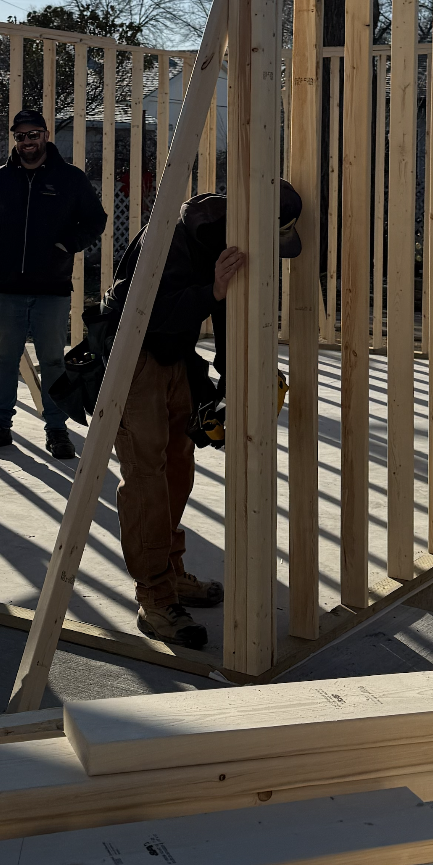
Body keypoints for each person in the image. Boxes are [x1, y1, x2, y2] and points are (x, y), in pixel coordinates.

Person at [102, 183, 302, 649]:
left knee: (178, 467)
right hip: (133, 356)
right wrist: (210, 288)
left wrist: (234, 387)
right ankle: (154, 598)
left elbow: (230, 311)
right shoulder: (170, 238)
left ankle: (171, 573)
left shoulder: (227, 241)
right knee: (146, 479)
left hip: (174, 358)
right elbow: (146, 315)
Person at [0, 106, 108, 458]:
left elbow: (96, 219)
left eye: (33, 135)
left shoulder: (69, 179)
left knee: (53, 361)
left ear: (45, 136)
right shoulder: (0, 179)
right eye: (20, 136)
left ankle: (57, 431)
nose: (27, 142)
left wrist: (68, 245)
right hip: (7, 287)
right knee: (5, 359)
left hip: (52, 288)